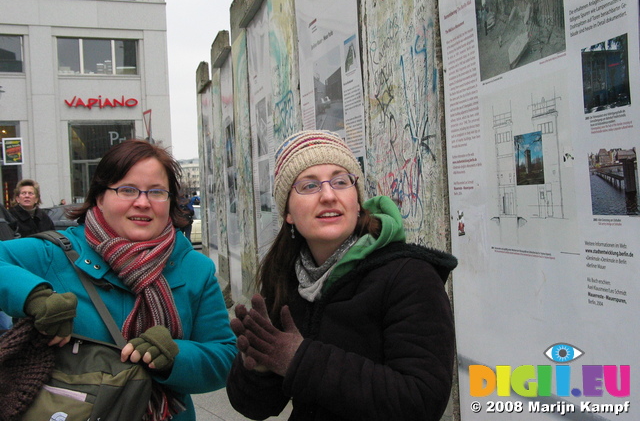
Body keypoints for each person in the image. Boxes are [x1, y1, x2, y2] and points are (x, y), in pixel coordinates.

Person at [226, 130, 457, 421]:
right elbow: (255, 408)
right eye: (309, 185)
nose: (328, 195)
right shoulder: (288, 279)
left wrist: (301, 360)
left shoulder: (409, 276)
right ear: (287, 212)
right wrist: (258, 367)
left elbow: (422, 403)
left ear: (357, 200)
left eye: (340, 181)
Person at [0, 139, 237, 420]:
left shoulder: (195, 268)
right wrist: (33, 297)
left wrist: (175, 355)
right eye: (127, 190)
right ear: (100, 196)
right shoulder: (54, 254)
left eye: (157, 192)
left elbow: (224, 358)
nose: (143, 202)